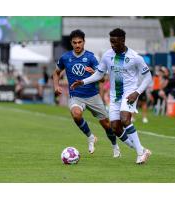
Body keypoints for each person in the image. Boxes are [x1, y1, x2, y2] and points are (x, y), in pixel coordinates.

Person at [71, 28, 152, 164]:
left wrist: (137, 92)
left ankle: (140, 155)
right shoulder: (108, 55)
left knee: (125, 119)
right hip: (115, 96)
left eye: (115, 42)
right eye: (111, 42)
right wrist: (83, 81)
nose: (112, 45)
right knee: (115, 127)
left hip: (129, 93)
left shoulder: (135, 57)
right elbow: (99, 74)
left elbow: (148, 78)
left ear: (123, 40)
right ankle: (143, 150)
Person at [52, 29, 120, 157]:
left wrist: (92, 73)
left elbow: (102, 79)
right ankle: (90, 137)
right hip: (76, 96)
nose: (77, 45)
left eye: (80, 42)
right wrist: (56, 86)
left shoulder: (91, 57)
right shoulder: (65, 57)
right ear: (71, 43)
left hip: (93, 96)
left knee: (106, 124)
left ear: (84, 42)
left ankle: (115, 146)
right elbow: (55, 73)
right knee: (76, 115)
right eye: (74, 42)